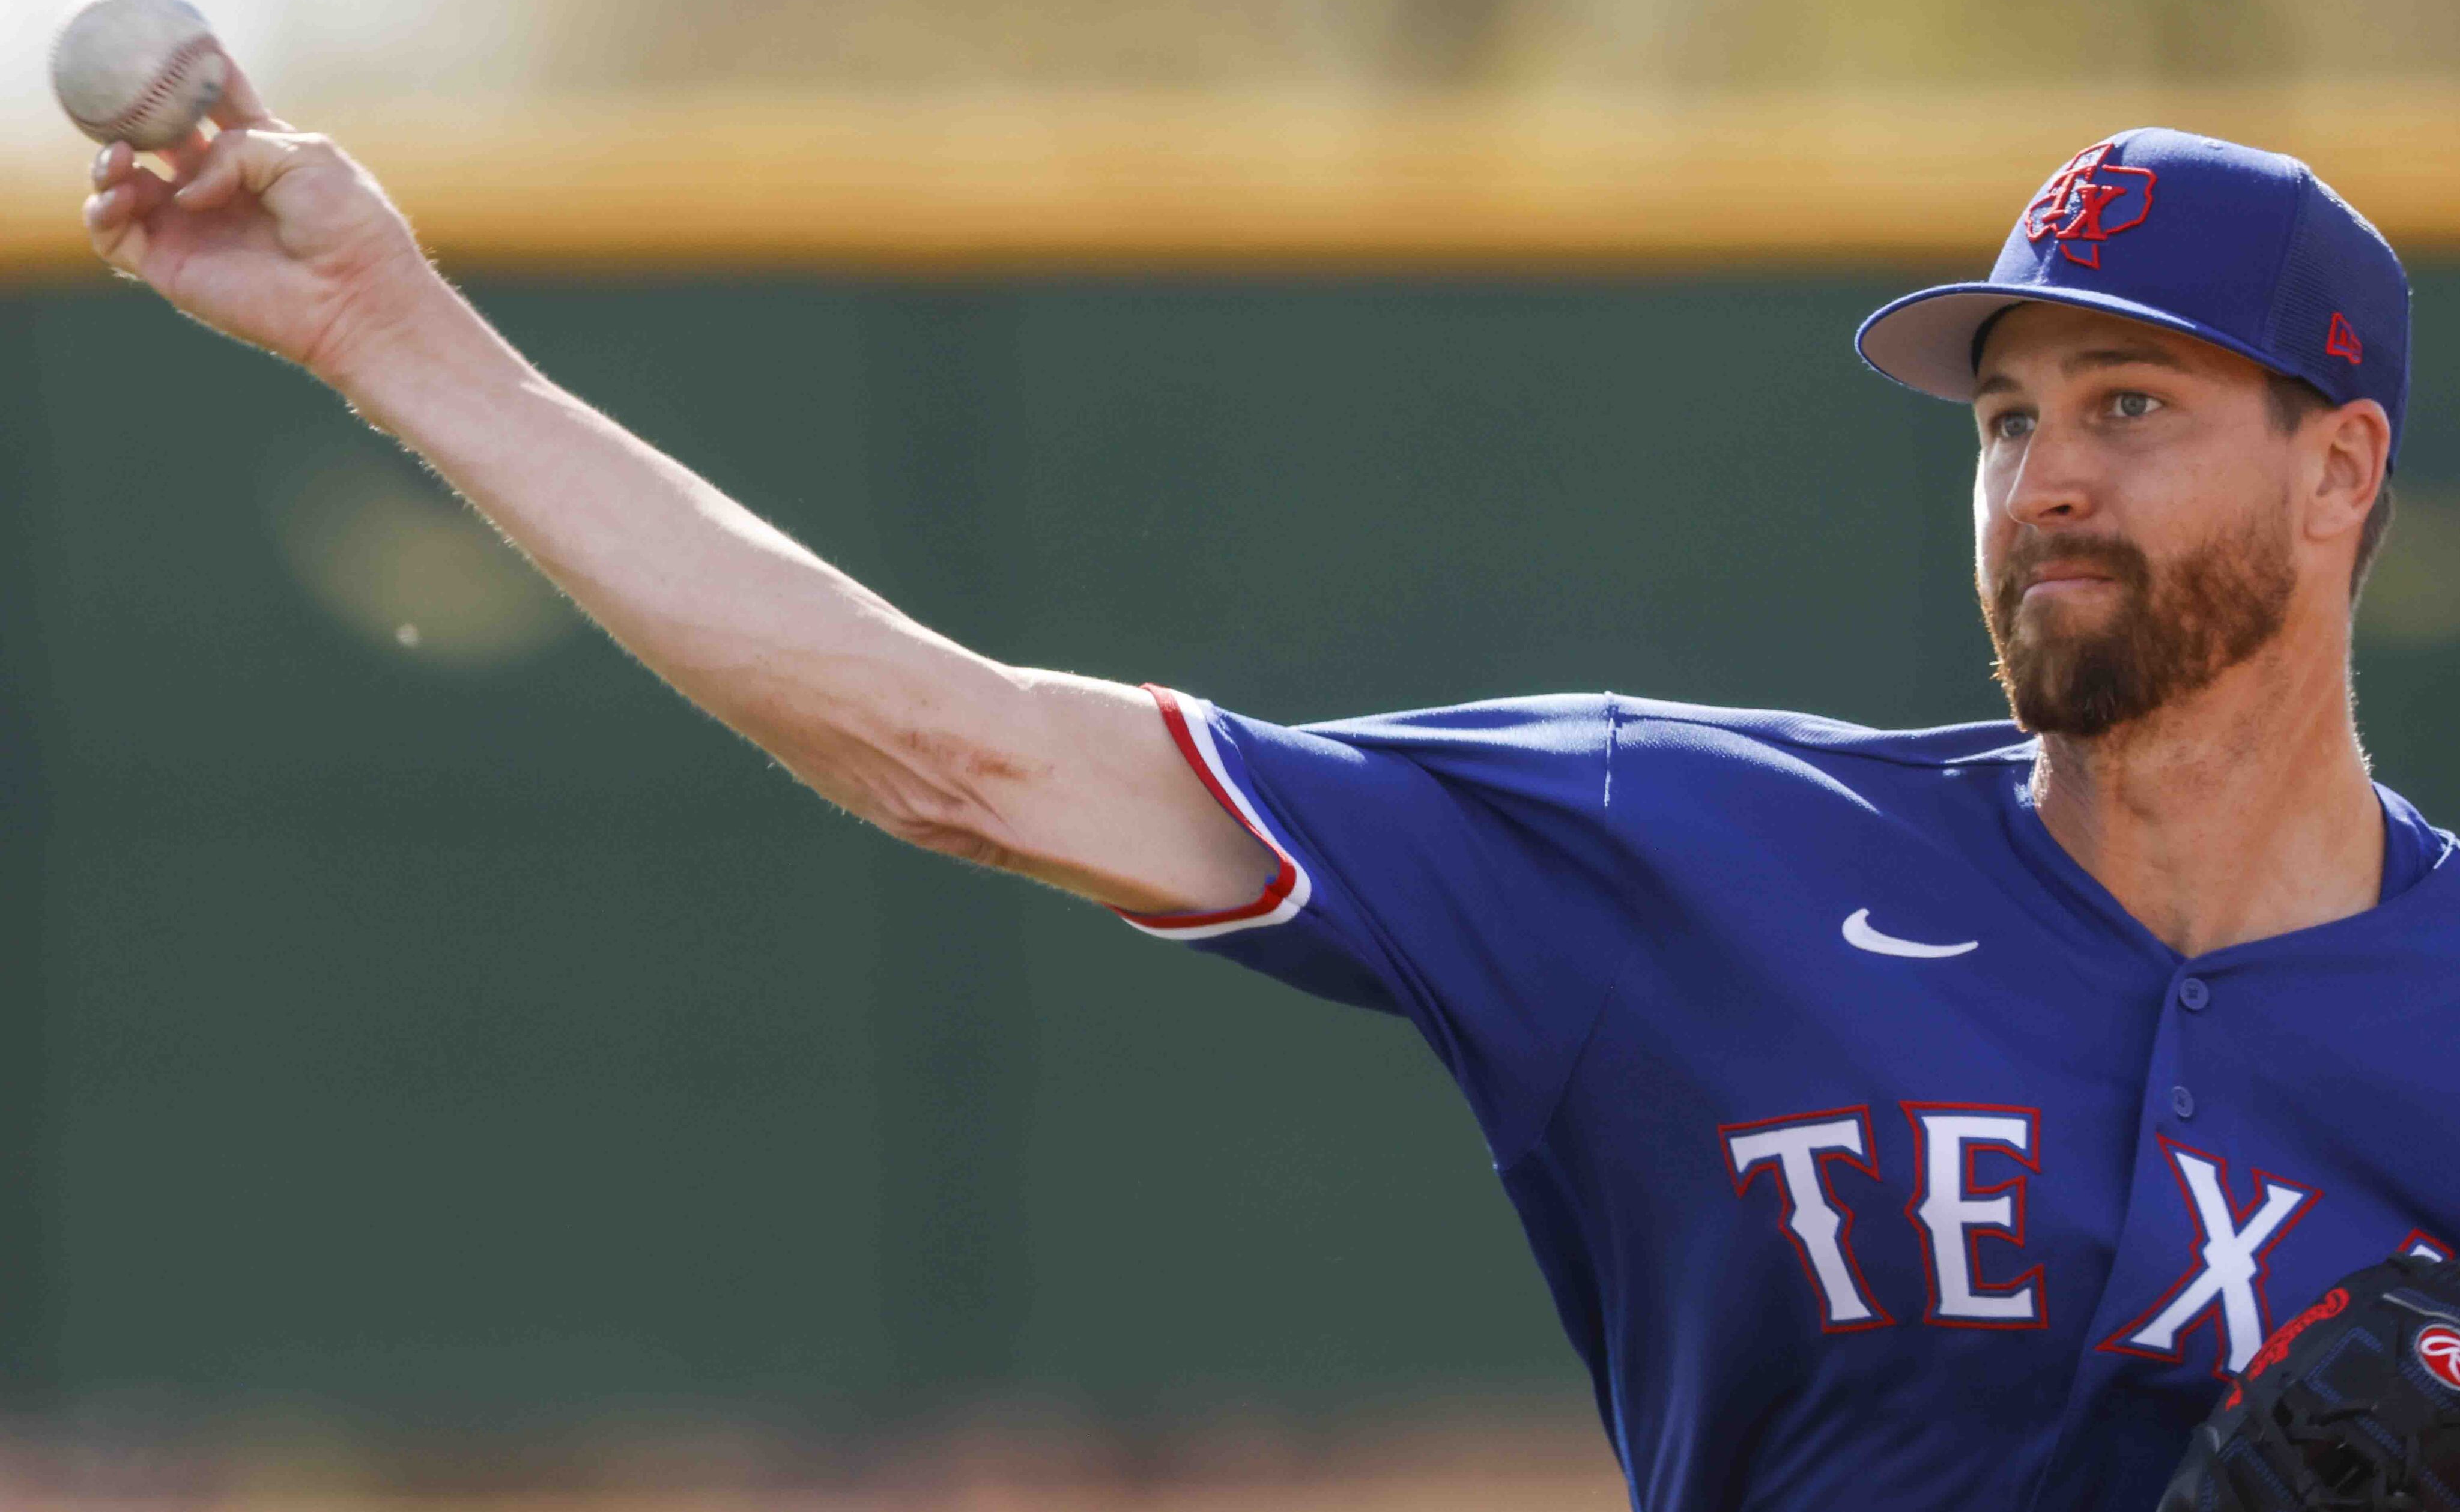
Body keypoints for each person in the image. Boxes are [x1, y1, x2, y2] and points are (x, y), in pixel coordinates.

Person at [82, 74, 2452, 1510]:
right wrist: (381, 325)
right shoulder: (1698, 853)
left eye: (2129, 406)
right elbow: (959, 741)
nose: (2043, 471)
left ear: (2340, 468)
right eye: (2004, 415)